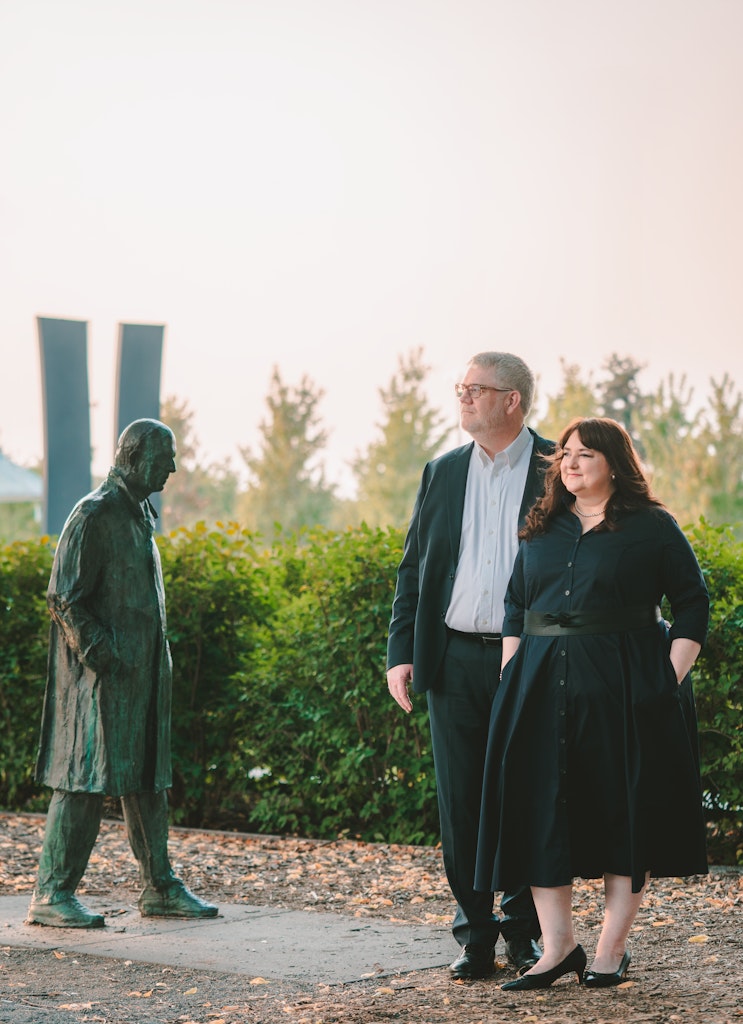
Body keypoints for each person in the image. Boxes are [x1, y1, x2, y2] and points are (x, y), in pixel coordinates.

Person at [475, 416, 709, 992]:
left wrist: (666, 679)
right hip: (537, 687)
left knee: (622, 813)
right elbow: (516, 604)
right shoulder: (542, 525)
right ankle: (558, 948)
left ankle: (610, 950)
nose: (570, 463)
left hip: (626, 692)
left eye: (585, 454)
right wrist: (511, 668)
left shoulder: (652, 526)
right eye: (565, 454)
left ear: (615, 463)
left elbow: (692, 603)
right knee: (541, 811)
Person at [386, 352, 554, 979]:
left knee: (528, 792)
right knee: (460, 801)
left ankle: (525, 933)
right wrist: (401, 652)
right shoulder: (442, 470)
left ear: (512, 400)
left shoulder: (558, 466)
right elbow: (414, 567)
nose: (463, 397)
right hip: (452, 657)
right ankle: (475, 935)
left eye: (476, 389)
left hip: (532, 657)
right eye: (460, 387)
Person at [27, 419, 218, 928]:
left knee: (148, 779)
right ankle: (52, 893)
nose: (172, 467)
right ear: (133, 457)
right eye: (164, 457)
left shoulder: (137, 514)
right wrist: (105, 656)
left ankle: (160, 886)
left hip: (143, 677)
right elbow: (64, 598)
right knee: (83, 781)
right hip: (101, 682)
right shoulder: (94, 514)